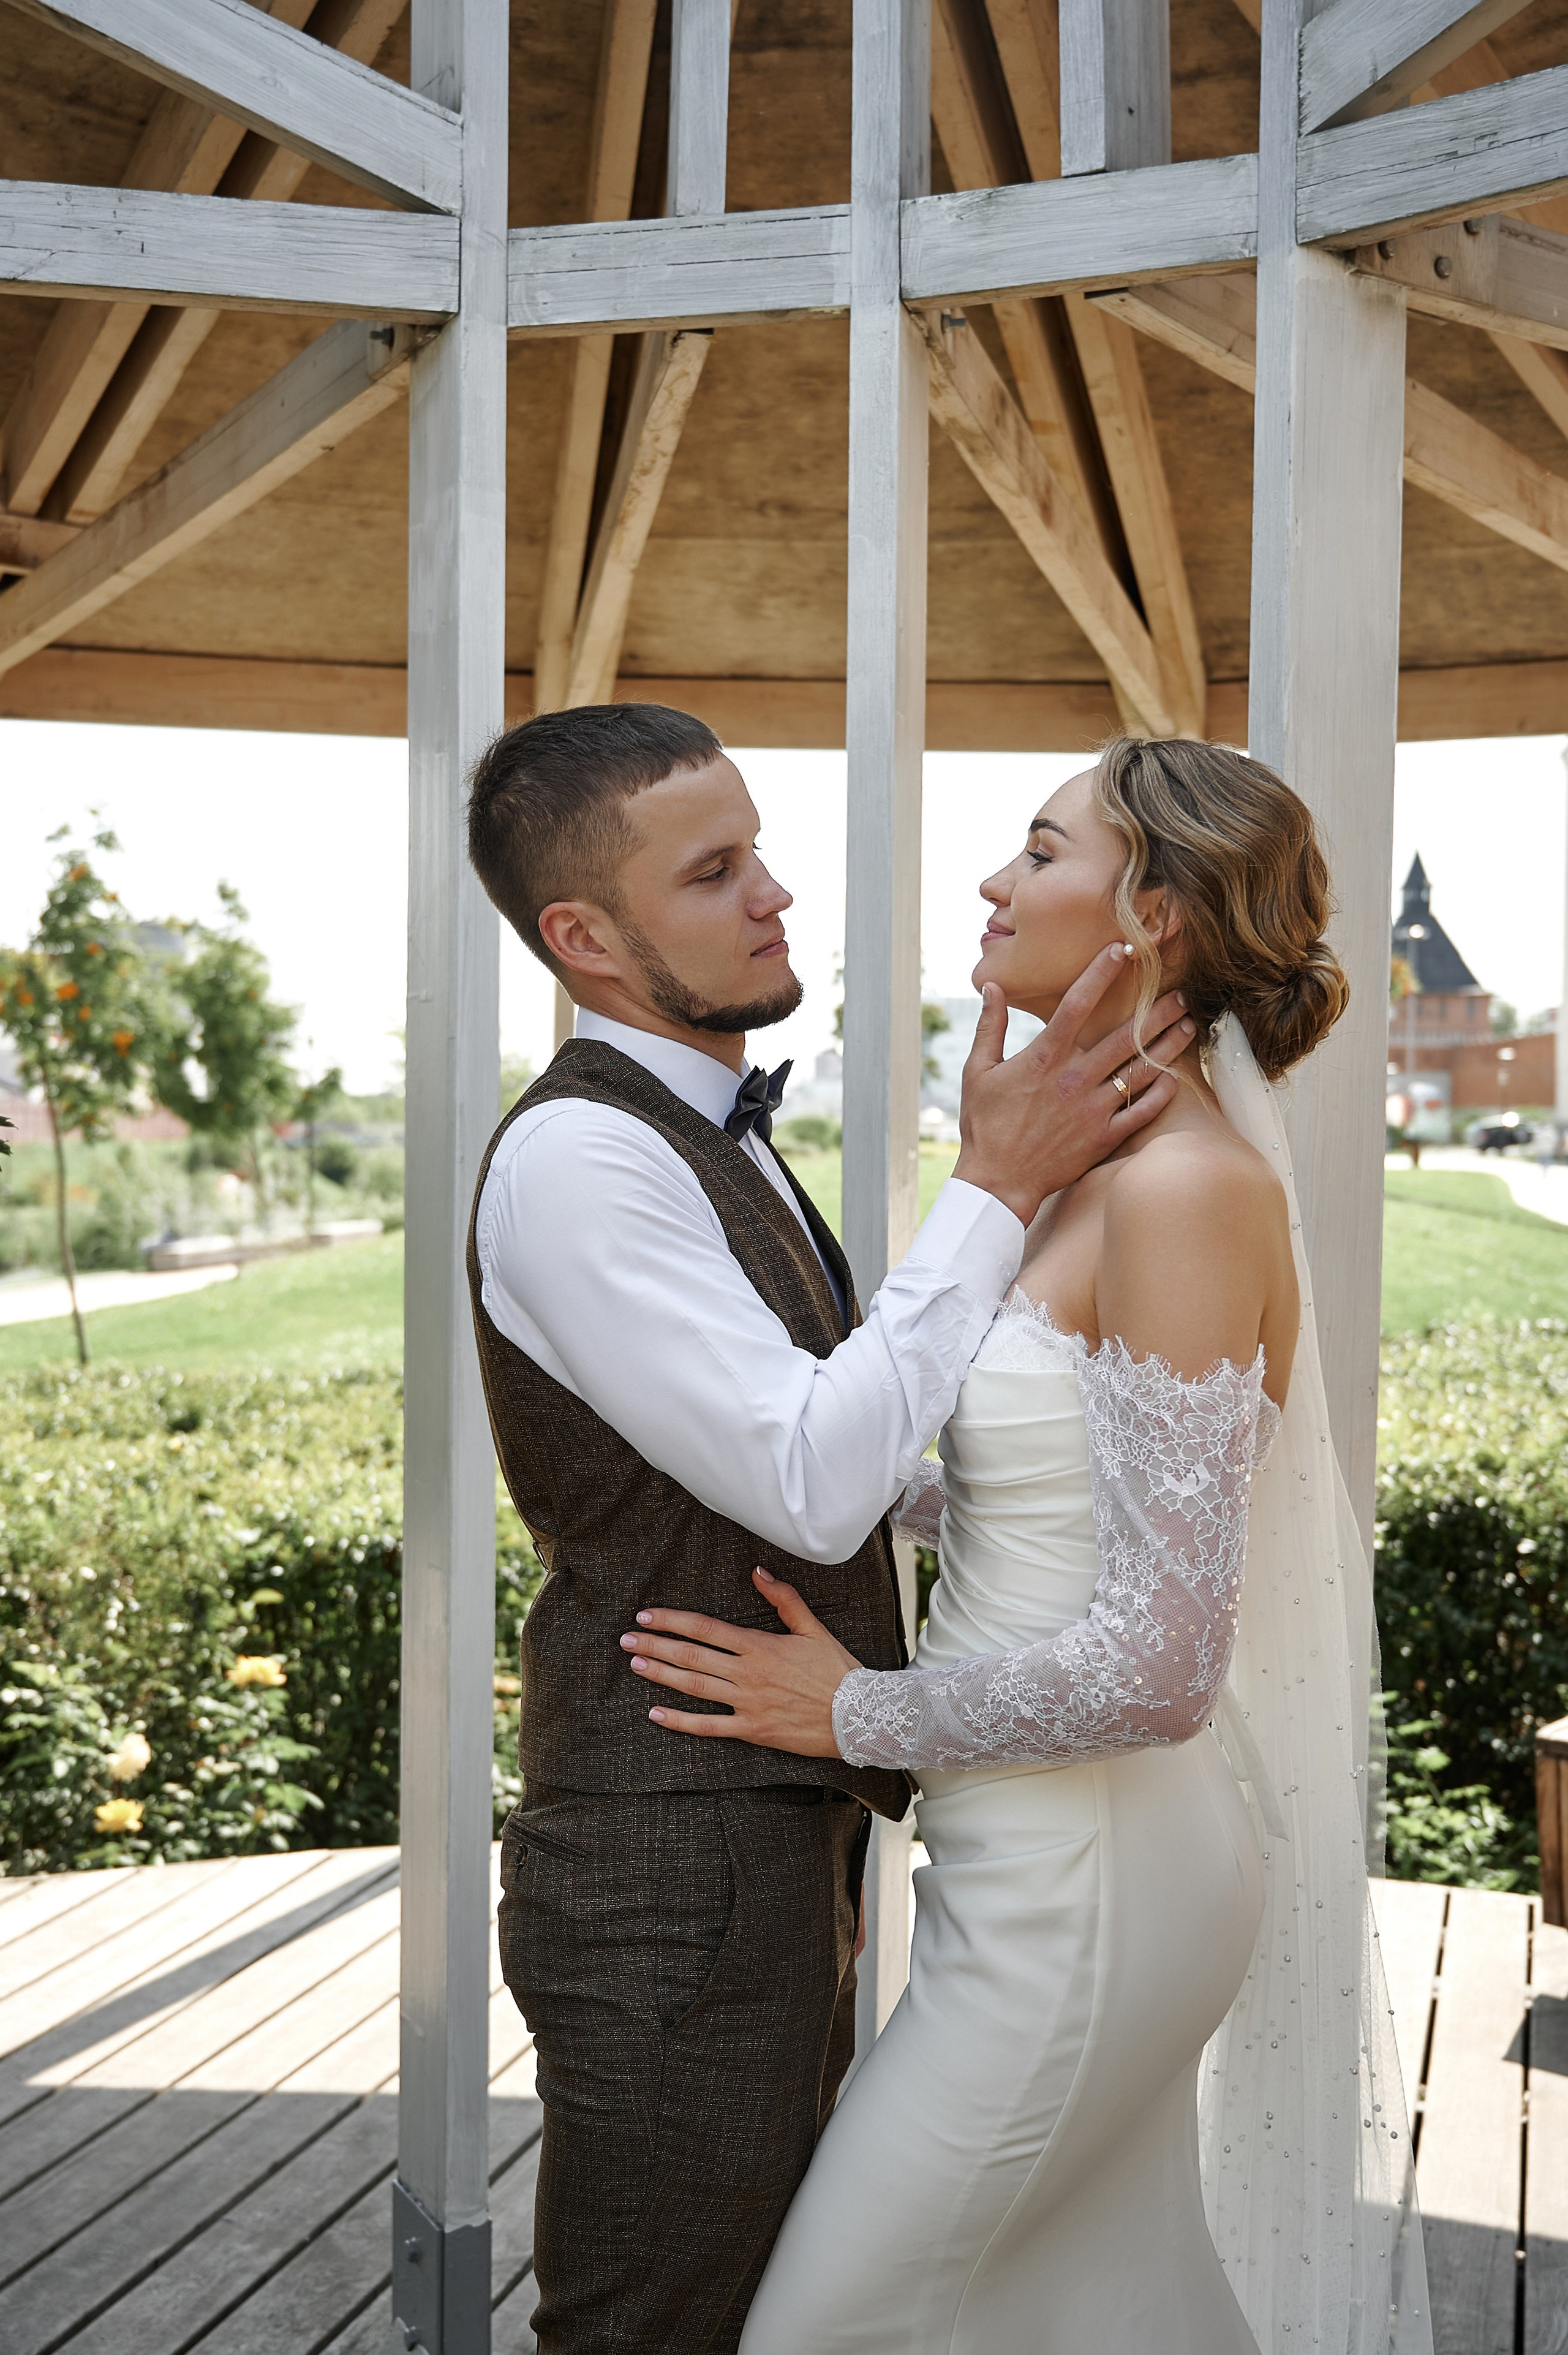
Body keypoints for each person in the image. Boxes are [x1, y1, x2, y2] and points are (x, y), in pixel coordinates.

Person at [623, 736, 1433, 2355]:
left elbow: (1162, 1661)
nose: (996, 882)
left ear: (1166, 917)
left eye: (1042, 849)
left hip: (1099, 1883)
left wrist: (847, 1712)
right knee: (1100, 2313)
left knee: (821, 2331)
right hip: (1029, 1857)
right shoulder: (1083, 1172)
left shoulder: (1188, 1192)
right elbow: (1046, 1481)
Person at [462, 704, 1192, 2354]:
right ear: (583, 935)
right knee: (656, 2330)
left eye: (759, 850)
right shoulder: (582, 1159)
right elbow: (808, 1475)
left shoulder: (710, 1136)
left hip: (772, 1851)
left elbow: (822, 1457)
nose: (775, 894)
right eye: (715, 872)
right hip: (667, 1871)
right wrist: (992, 1190)